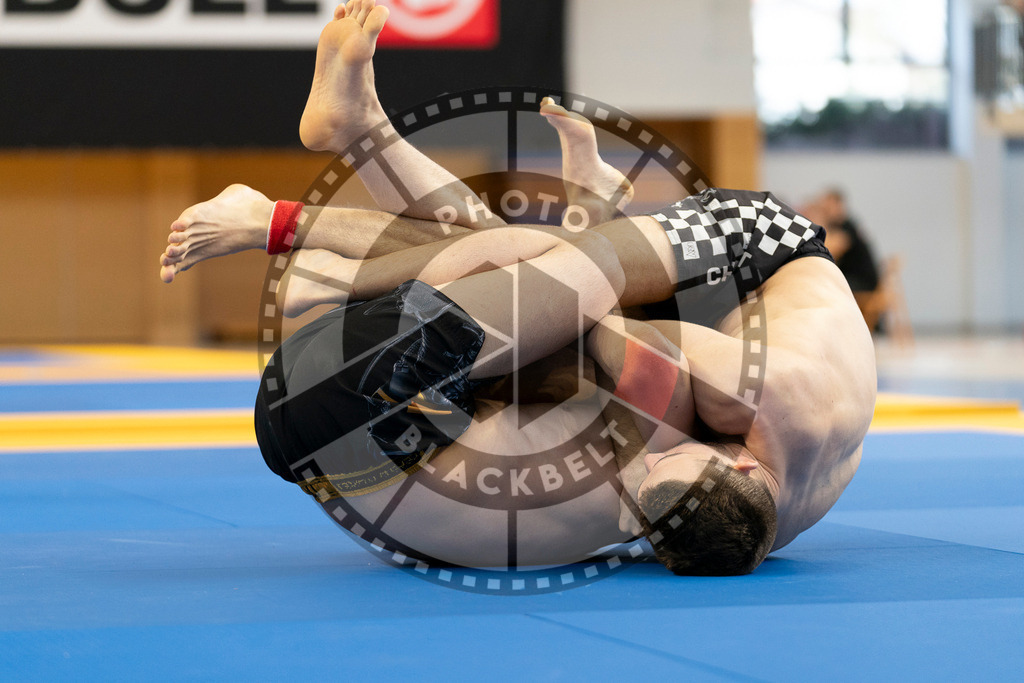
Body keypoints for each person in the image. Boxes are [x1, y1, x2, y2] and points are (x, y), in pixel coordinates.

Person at [159, 1, 876, 575]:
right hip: (761, 246)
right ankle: (325, 188)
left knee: (543, 285)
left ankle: (328, 179)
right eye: (673, 460)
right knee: (569, 278)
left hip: (362, 398)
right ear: (745, 461)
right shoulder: (778, 398)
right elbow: (589, 301)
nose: (651, 459)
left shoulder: (735, 511)